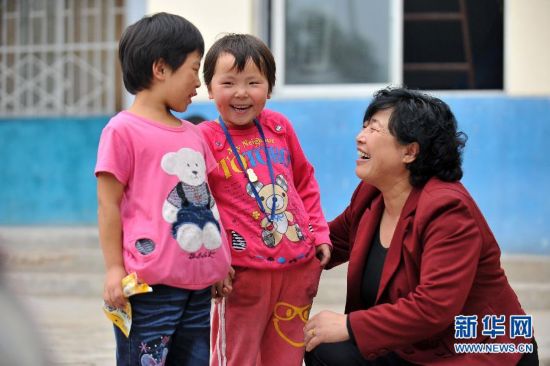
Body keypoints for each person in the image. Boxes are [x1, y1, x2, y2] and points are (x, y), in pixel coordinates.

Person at [303, 87, 539, 365]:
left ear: (410, 151)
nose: (360, 137)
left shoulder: (447, 209)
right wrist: (260, 252)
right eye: (364, 126)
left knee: (335, 340)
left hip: (476, 351)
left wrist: (349, 326)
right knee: (323, 348)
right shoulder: (370, 194)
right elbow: (326, 243)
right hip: (413, 348)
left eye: (375, 130)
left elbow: (434, 306)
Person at [95, 13, 232, 366]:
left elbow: (209, 201)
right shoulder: (122, 130)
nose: (197, 84)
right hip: (149, 288)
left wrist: (219, 263)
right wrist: (113, 269)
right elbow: (108, 205)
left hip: (199, 287)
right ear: (160, 69)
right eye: (193, 69)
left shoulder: (193, 134)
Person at [198, 34, 332, 366]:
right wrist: (213, 261)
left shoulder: (279, 127)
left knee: (286, 356)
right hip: (243, 277)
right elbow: (198, 205)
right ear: (210, 88)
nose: (241, 93)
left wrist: (319, 233)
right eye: (228, 82)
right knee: (237, 358)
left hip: (297, 269)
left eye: (253, 82)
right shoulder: (204, 139)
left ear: (269, 89)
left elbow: (304, 181)